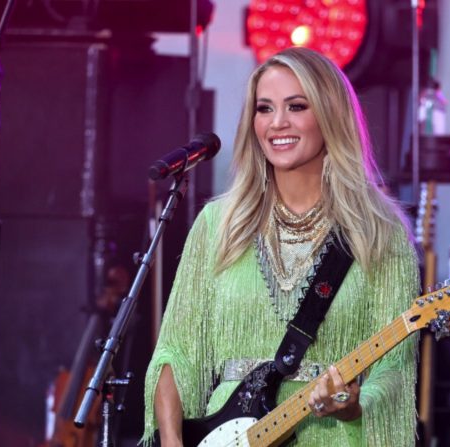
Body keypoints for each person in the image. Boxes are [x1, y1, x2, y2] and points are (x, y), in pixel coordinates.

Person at [140, 47, 420, 447]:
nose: (278, 123)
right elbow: (175, 352)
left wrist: (354, 406)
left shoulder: (379, 231)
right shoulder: (217, 225)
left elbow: (394, 368)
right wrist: (171, 442)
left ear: (330, 115)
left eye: (296, 106)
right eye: (264, 108)